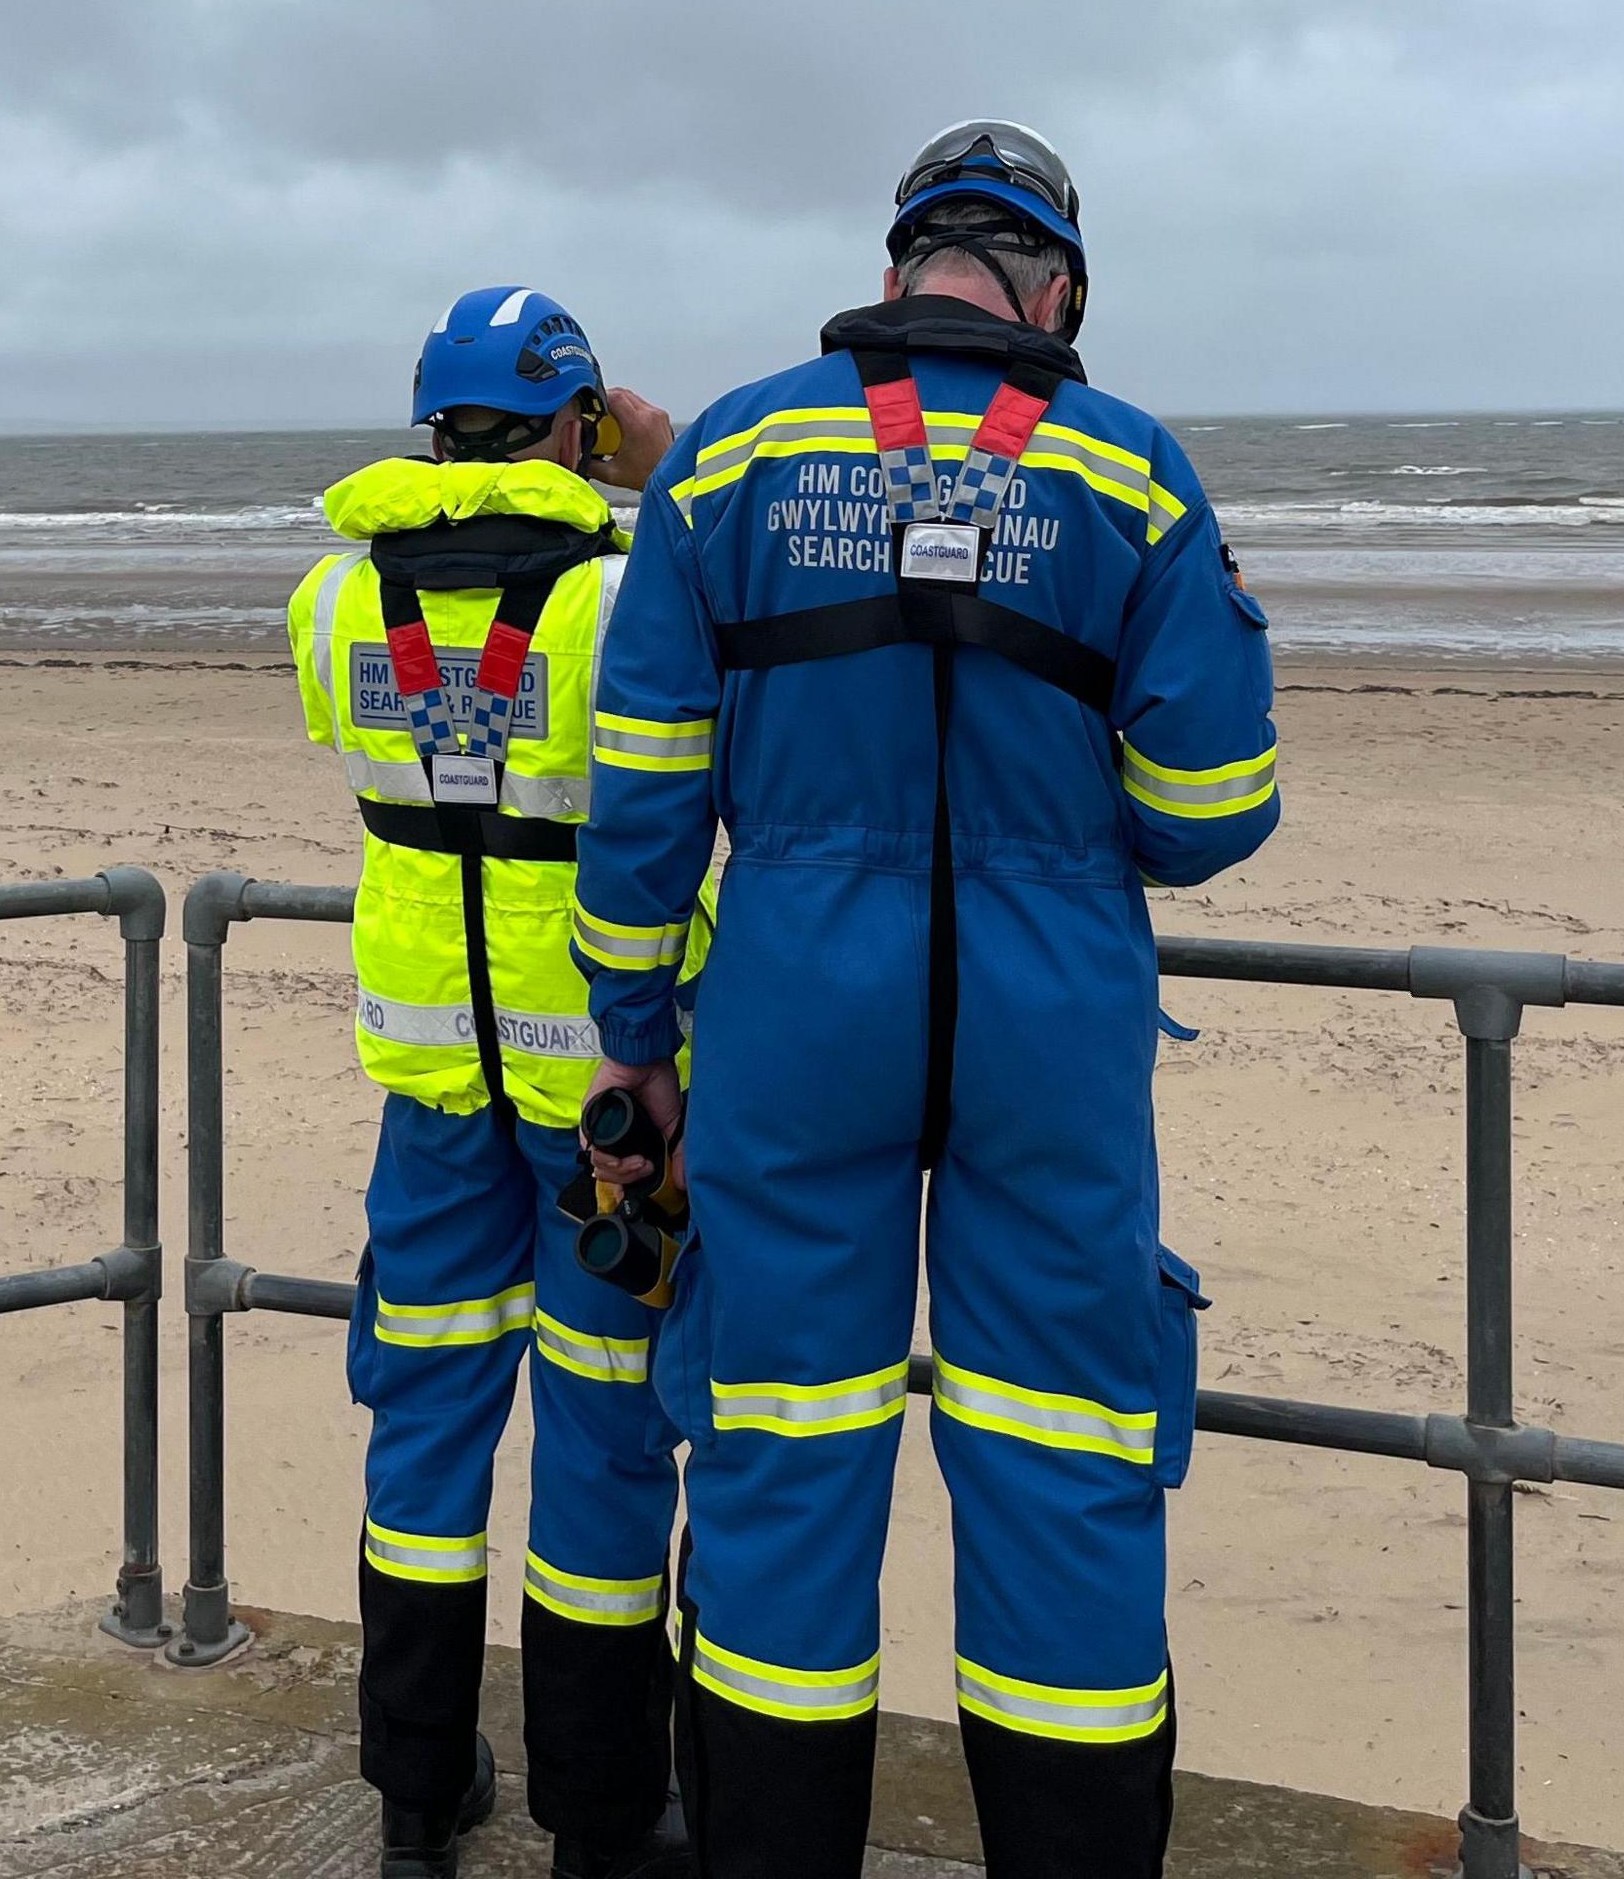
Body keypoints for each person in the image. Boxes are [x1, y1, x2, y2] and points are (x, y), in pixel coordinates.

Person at [572, 124, 1281, 1879]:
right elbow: (1211, 812)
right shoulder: (1134, 474)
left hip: (797, 1006)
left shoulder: (732, 454)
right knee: (1062, 1460)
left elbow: (645, 790)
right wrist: (1052, 820)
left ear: (898, 277)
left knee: (780, 1447)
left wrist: (639, 1041)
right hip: (1050, 1023)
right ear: (1060, 290)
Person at [286, 286, 698, 1879]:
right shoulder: (618, 594)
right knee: (602, 1432)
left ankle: (415, 1800)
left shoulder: (335, 596)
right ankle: (597, 1822)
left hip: (428, 1084)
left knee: (425, 1425)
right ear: (578, 419)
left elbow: (362, 730)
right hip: (602, 1081)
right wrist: (658, 473)